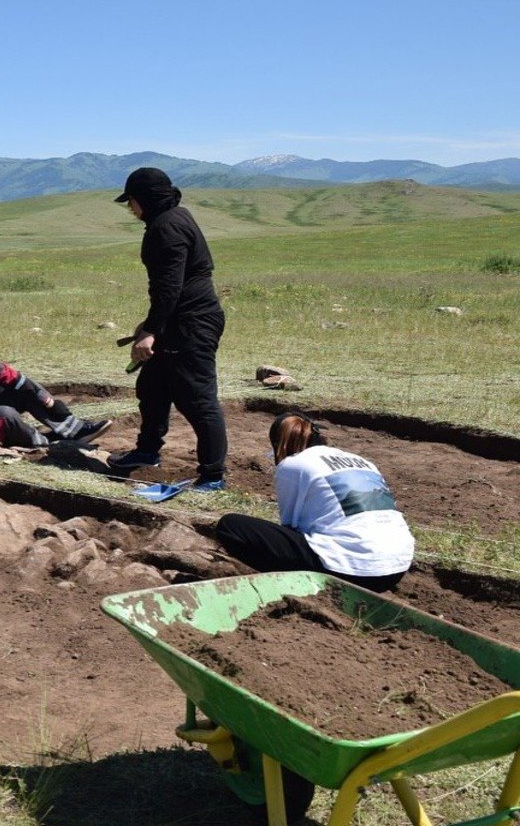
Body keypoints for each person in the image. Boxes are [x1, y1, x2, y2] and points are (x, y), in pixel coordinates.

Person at [108, 167, 228, 490]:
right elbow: (169, 289)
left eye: (131, 202)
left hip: (192, 323)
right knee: (153, 385)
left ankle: (213, 476)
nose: (130, 209)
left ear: (143, 199)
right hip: (180, 319)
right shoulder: (174, 218)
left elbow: (170, 289)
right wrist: (149, 324)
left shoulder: (167, 228)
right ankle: (147, 452)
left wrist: (150, 331)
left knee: (198, 398)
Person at [215, 412, 414, 592]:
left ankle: (294, 587)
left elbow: (292, 526)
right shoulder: (362, 461)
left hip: (355, 570)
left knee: (230, 526)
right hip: (397, 567)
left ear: (280, 444)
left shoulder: (292, 465)